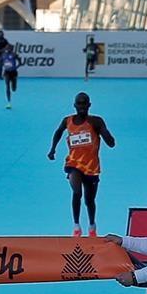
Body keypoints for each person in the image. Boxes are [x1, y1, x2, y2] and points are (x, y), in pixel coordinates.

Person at [47, 92, 115, 236]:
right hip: (73, 164)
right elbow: (58, 132)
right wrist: (52, 149)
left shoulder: (96, 121)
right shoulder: (67, 121)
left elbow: (110, 142)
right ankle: (76, 226)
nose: (82, 107)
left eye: (84, 104)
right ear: (75, 105)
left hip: (91, 167)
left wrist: (107, 136)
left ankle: (92, 225)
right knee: (77, 192)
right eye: (79, 104)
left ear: (89, 105)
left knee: (89, 200)